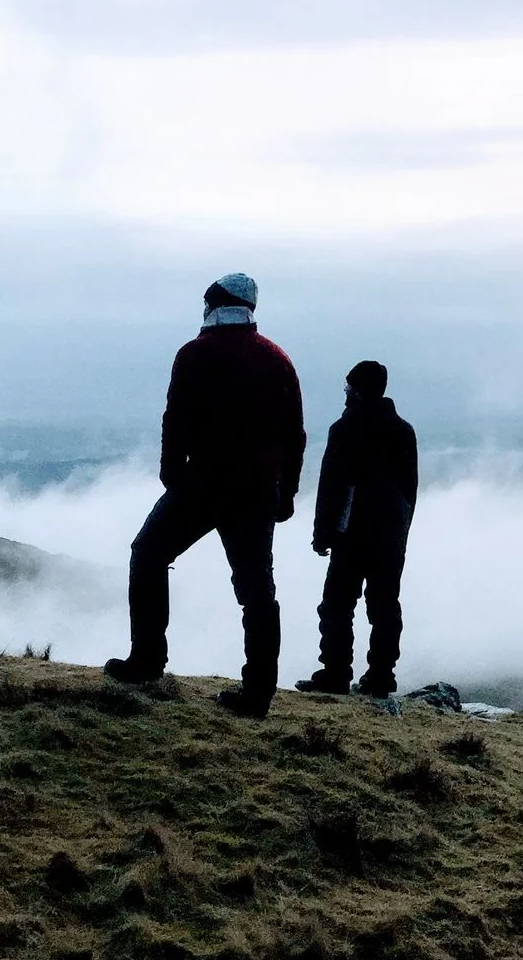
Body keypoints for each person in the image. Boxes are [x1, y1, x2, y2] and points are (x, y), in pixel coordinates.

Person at [106, 273, 306, 720]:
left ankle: (147, 660)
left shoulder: (195, 353)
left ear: (214, 305)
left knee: (148, 553)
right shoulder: (277, 359)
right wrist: (286, 491)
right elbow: (295, 433)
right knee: (257, 589)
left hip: (202, 482)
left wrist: (172, 474)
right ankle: (258, 693)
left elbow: (175, 417)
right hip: (257, 488)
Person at [294, 360, 418, 699]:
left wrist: (322, 532)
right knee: (385, 605)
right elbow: (409, 489)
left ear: (358, 389)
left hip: (351, 533)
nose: (346, 393)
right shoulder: (403, 431)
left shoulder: (344, 428)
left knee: (337, 604)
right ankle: (381, 678)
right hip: (390, 535)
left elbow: (331, 485)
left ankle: (335, 674)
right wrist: (402, 530)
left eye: (348, 387)